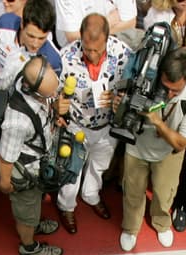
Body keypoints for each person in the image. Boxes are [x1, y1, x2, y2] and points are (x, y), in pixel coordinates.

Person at [119, 47, 186, 251]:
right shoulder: (145, 79)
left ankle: (161, 222)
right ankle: (131, 227)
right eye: (165, 86)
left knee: (163, 193)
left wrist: (157, 122)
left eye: (175, 91)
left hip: (169, 152)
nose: (168, 93)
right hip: (137, 146)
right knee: (133, 192)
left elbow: (180, 143)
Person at [54, 12, 130, 233]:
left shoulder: (123, 53)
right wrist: (56, 105)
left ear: (107, 38)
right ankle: (66, 204)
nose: (93, 55)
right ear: (80, 38)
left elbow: (132, 88)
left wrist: (119, 98)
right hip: (76, 124)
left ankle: (91, 194)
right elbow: (53, 93)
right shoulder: (65, 56)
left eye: (98, 49)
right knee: (71, 170)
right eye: (87, 49)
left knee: (100, 165)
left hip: (107, 126)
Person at [0, 54, 65, 255]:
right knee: (26, 211)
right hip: (26, 171)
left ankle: (35, 222)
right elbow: (6, 158)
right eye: (49, 94)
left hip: (38, 162)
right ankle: (29, 245)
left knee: (34, 202)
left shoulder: (28, 71)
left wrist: (53, 107)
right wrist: (6, 184)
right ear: (32, 90)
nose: (55, 94)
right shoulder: (17, 122)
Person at [0, 0, 61, 90]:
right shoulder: (3, 24)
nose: (35, 44)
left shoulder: (53, 60)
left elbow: (51, 94)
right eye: (31, 36)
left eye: (41, 38)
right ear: (22, 24)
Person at [55, 0, 136, 47]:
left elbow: (130, 23)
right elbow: (73, 37)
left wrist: (91, 33)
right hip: (77, 52)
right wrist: (108, 21)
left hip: (117, 46)